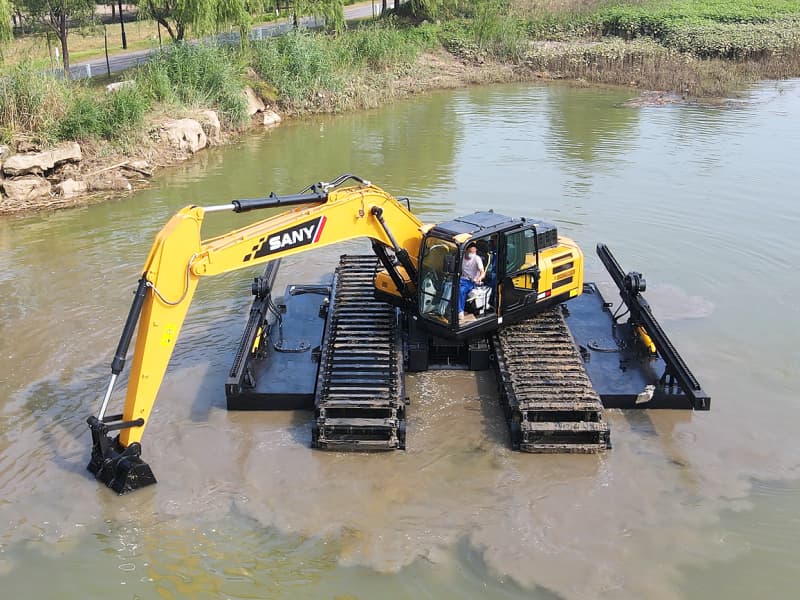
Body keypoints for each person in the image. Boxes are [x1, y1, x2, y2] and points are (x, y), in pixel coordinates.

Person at [459, 242, 485, 320]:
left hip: (471, 281)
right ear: (466, 251)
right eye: (471, 252)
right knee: (448, 285)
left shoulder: (477, 259)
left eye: (474, 252)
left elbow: (482, 272)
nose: (472, 254)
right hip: (461, 279)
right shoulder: (461, 257)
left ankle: (460, 311)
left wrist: (480, 278)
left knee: (461, 290)